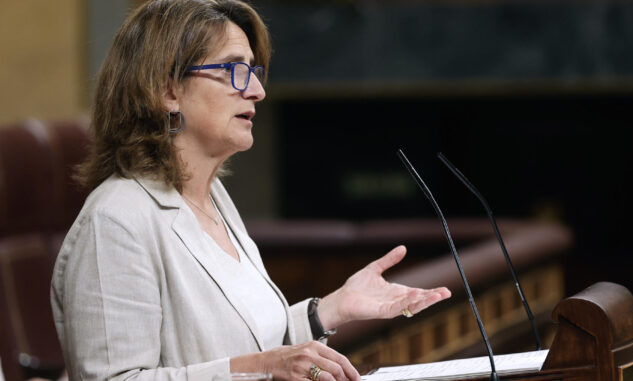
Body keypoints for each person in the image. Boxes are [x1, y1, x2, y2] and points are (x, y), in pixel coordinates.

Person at [50, 1, 451, 380]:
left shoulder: (212, 198)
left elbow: (244, 344)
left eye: (255, 73)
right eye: (234, 71)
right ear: (167, 90)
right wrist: (260, 368)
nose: (257, 91)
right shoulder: (115, 221)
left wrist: (332, 308)